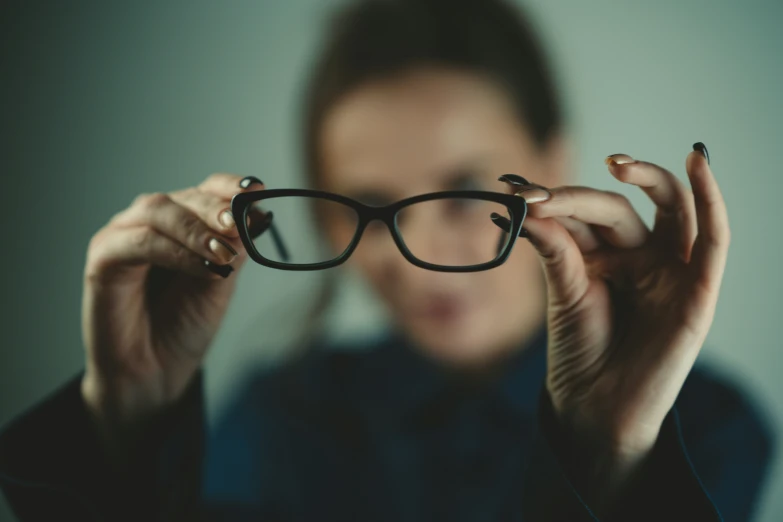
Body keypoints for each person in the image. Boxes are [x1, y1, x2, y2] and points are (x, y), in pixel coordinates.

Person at [0, 0, 774, 520]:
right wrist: (128, 421)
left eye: (466, 188)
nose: (423, 258)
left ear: (553, 159)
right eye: (367, 207)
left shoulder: (707, 429)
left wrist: (611, 457)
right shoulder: (279, 418)